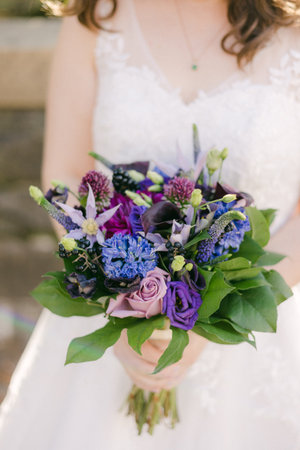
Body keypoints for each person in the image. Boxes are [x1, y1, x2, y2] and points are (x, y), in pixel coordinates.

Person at [1, 0, 300, 448]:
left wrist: (216, 321)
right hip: (112, 312)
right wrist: (120, 308)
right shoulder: (95, 17)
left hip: (264, 319)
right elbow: (62, 176)